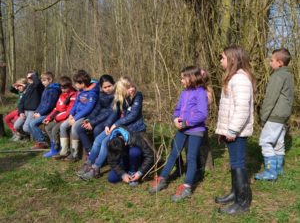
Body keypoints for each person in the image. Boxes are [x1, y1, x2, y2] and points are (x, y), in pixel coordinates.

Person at [148, 66, 209, 202]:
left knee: (191, 157)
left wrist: (187, 122)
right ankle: (162, 179)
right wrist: (175, 118)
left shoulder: (200, 93)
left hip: (195, 130)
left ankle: (187, 187)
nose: (181, 80)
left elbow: (202, 114)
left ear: (191, 78)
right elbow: (177, 109)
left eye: (183, 78)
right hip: (182, 129)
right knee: (173, 153)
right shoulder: (184, 93)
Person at [78, 76, 146, 180]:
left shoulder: (137, 96)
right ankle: (89, 164)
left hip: (130, 128)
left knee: (106, 142)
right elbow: (114, 113)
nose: (131, 89)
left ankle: (96, 169)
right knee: (98, 140)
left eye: (131, 86)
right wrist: (108, 125)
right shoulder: (120, 97)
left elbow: (133, 115)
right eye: (128, 88)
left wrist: (115, 125)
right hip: (120, 127)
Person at [215, 45, 255, 215]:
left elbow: (242, 109)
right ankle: (235, 193)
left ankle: (242, 203)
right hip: (231, 131)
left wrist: (232, 130)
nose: (220, 61)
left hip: (237, 132)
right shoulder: (234, 78)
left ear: (232, 59)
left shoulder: (240, 80)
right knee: (234, 163)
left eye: (222, 57)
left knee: (238, 164)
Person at [255, 48, 294, 181]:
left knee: (265, 141)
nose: (270, 63)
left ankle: (270, 172)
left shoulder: (277, 76)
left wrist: (263, 116)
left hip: (275, 115)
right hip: (283, 115)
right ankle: (278, 169)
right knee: (278, 142)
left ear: (280, 63)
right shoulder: (289, 75)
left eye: (272, 60)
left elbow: (270, 98)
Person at [54, 70, 99, 161]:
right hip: (75, 115)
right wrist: (71, 114)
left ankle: (75, 154)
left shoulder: (92, 93)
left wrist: (75, 118)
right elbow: (75, 104)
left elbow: (89, 108)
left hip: (85, 116)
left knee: (74, 127)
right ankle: (64, 151)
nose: (75, 85)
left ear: (83, 83)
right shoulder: (80, 91)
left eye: (77, 83)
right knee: (63, 126)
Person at [77, 74, 115, 155]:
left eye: (109, 86)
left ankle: (100, 153)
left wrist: (93, 122)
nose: (108, 89)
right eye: (105, 87)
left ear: (113, 84)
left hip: (110, 118)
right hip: (98, 118)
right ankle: (91, 151)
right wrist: (89, 119)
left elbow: (110, 112)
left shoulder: (117, 96)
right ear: (101, 88)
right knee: (80, 128)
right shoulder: (101, 95)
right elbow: (97, 109)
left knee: (97, 129)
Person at [43, 76, 77, 157]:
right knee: (48, 127)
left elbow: (68, 111)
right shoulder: (62, 95)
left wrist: (56, 118)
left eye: (65, 88)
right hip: (58, 117)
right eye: (62, 88)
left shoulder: (73, 95)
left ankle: (61, 148)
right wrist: (49, 118)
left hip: (67, 118)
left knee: (55, 130)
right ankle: (54, 148)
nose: (63, 90)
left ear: (70, 86)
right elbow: (57, 108)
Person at [28, 72, 61, 149]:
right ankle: (39, 141)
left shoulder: (53, 90)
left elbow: (50, 105)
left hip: (50, 113)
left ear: (50, 80)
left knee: (33, 124)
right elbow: (42, 103)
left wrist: (40, 113)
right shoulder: (46, 89)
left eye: (44, 80)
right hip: (43, 112)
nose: (43, 83)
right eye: (42, 81)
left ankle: (43, 142)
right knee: (30, 123)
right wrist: (36, 111)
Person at [14, 71, 44, 139]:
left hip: (33, 111)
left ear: (35, 77)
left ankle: (43, 137)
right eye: (28, 78)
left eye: (31, 77)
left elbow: (37, 83)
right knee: (16, 126)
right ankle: (27, 137)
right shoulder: (28, 88)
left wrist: (33, 76)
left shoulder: (39, 87)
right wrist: (21, 112)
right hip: (24, 111)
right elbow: (21, 101)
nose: (29, 79)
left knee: (26, 128)